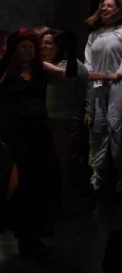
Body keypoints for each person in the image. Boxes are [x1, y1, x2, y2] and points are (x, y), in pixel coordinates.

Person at [0, 28, 76, 258]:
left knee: (35, 188)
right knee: (7, 182)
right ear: (14, 49)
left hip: (37, 135)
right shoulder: (7, 71)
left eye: (30, 46)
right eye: (22, 46)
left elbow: (68, 76)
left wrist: (71, 53)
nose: (27, 50)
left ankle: (28, 238)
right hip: (11, 136)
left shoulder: (40, 70)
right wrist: (10, 50)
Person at [41, 29, 91, 203]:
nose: (43, 46)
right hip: (45, 120)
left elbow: (88, 86)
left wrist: (89, 111)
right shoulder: (40, 64)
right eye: (43, 42)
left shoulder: (71, 64)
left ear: (58, 46)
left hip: (66, 120)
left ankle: (68, 196)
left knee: (65, 162)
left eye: (48, 43)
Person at [83, 0, 122, 195]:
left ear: (118, 9)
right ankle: (97, 175)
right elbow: (87, 65)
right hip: (98, 86)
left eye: (109, 5)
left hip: (119, 87)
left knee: (117, 130)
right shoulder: (94, 35)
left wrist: (115, 76)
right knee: (97, 131)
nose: (105, 8)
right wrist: (102, 76)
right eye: (103, 5)